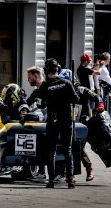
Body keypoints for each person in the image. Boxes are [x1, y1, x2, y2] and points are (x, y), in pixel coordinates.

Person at [36, 58, 79, 189]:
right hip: (66, 120)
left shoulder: (45, 86)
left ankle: (51, 181)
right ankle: (70, 180)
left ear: (46, 70)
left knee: (51, 150)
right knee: (68, 150)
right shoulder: (66, 83)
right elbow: (76, 99)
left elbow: (41, 104)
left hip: (53, 120)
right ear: (57, 69)